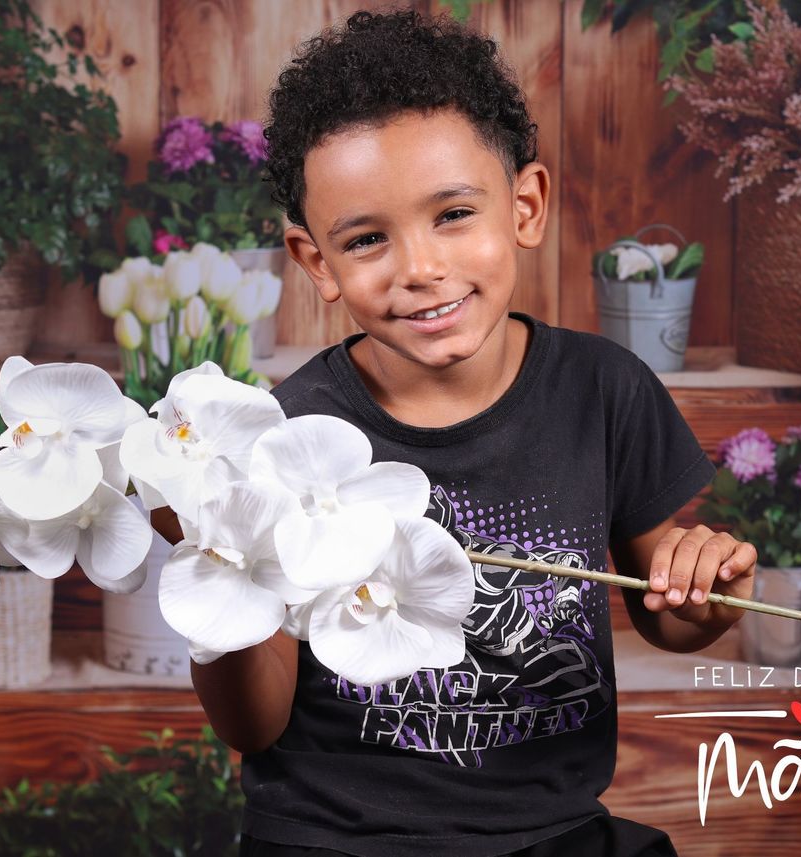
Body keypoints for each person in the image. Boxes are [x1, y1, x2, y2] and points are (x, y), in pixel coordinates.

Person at [155, 8, 758, 856]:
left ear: (525, 206)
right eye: (368, 239)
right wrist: (216, 583)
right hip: (335, 840)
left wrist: (709, 589)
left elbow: (671, 615)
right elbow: (254, 727)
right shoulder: (284, 436)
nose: (421, 268)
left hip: (551, 832)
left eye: (453, 214)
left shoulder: (604, 390)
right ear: (318, 262)